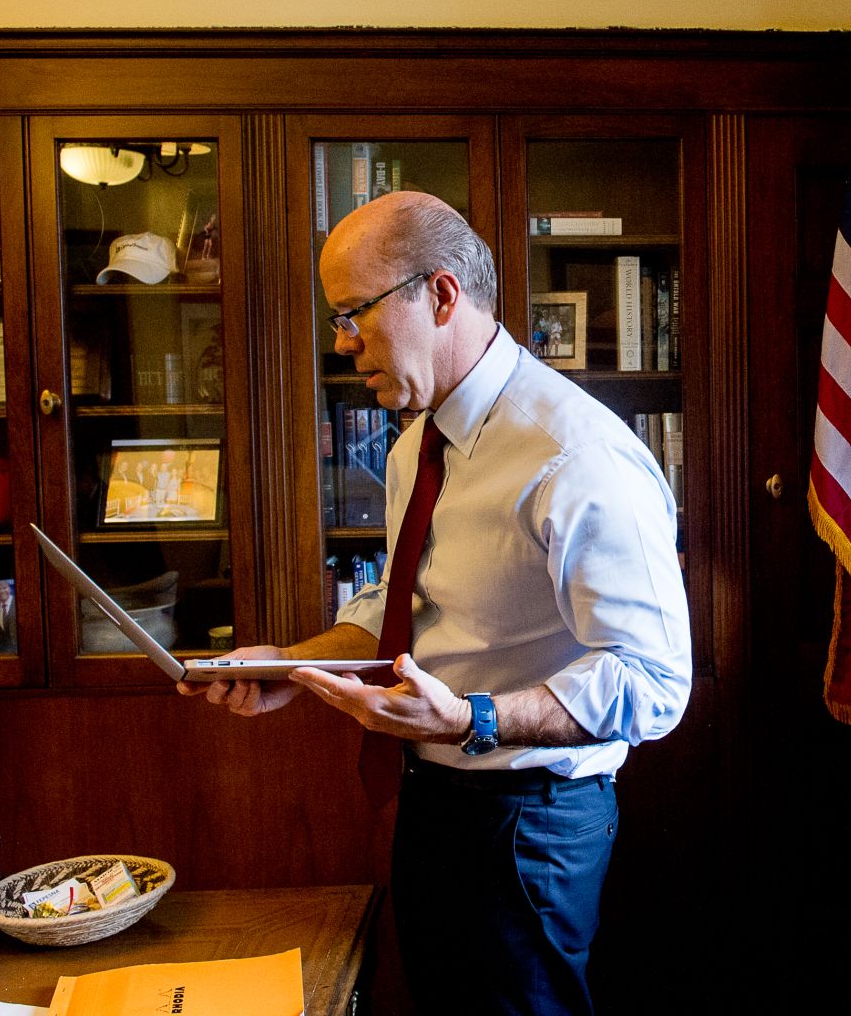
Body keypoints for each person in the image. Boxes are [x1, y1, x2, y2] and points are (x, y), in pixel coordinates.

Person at [178, 190, 691, 1015]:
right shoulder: (419, 441)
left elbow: (655, 682)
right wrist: (293, 663)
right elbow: (407, 597)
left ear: (441, 295)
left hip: (532, 828)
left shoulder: (579, 456)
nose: (341, 343)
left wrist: (474, 718)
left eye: (354, 314)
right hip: (431, 800)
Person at [0, 580, 16, 649]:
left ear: (9, 589)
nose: (2, 591)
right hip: (5, 649)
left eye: (4, 588)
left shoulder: (19, 602)